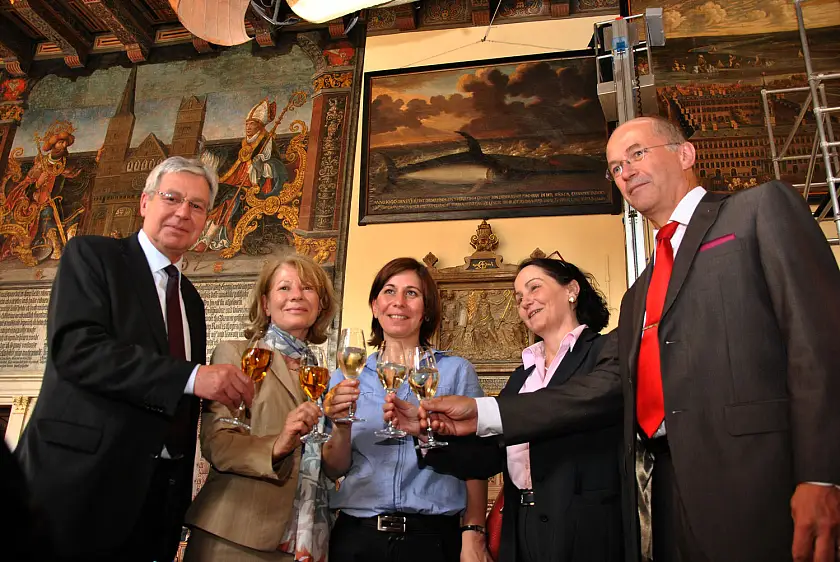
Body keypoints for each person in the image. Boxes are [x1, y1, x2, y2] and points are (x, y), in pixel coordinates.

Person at [422, 116, 840, 562]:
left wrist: (823, 475)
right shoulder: (640, 291)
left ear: (685, 154)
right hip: (656, 496)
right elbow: (597, 388)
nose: (626, 172)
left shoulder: (756, 210)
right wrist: (481, 412)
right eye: (615, 167)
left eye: (637, 154)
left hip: (755, 481)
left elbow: (821, 342)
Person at [15, 156, 255, 561]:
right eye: (172, 198)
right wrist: (195, 377)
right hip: (77, 488)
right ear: (145, 202)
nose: (183, 212)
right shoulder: (93, 256)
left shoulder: (191, 300)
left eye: (197, 205)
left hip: (154, 499)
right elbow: (78, 351)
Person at [387, 258, 624, 562]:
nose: (525, 301)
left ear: (572, 290)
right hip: (520, 529)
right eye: (518, 296)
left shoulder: (606, 351)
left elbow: (578, 404)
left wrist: (480, 411)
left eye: (534, 287)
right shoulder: (521, 376)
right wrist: (425, 432)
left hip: (587, 532)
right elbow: (488, 458)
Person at [321, 257, 490, 562]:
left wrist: (474, 532)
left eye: (411, 293)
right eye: (389, 291)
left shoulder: (456, 372)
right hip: (357, 538)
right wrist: (341, 427)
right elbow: (334, 468)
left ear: (426, 310)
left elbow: (476, 463)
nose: (398, 302)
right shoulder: (346, 376)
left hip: (434, 540)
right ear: (375, 305)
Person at [184, 254, 338, 561]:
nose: (296, 295)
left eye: (307, 288)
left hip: (308, 541)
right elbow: (218, 443)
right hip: (237, 535)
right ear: (266, 304)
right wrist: (277, 446)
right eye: (284, 287)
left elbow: (330, 464)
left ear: (320, 305)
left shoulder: (326, 376)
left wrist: (343, 429)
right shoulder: (237, 354)